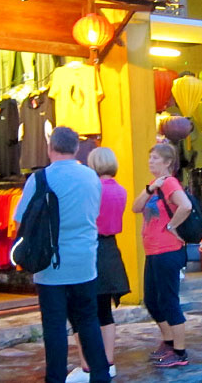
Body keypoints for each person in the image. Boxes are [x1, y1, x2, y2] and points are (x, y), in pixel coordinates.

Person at [13, 127, 111, 383]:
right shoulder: (91, 177)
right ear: (76, 148)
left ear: (50, 148)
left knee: (54, 326)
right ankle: (101, 375)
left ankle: (55, 378)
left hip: (50, 263)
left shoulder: (40, 178)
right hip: (84, 261)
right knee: (88, 320)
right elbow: (94, 213)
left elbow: (20, 220)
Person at [66, 147, 130, 382]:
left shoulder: (92, 188)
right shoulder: (121, 190)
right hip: (111, 248)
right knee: (104, 310)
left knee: (80, 310)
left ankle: (87, 366)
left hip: (90, 247)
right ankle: (108, 361)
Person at [131, 143, 192, 367]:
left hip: (167, 250)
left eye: (155, 158)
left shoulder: (170, 183)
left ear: (167, 162)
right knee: (152, 300)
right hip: (153, 251)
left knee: (168, 301)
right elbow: (135, 207)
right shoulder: (156, 185)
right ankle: (168, 341)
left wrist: (171, 226)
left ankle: (180, 352)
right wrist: (150, 189)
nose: (150, 161)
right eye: (150, 157)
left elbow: (185, 206)